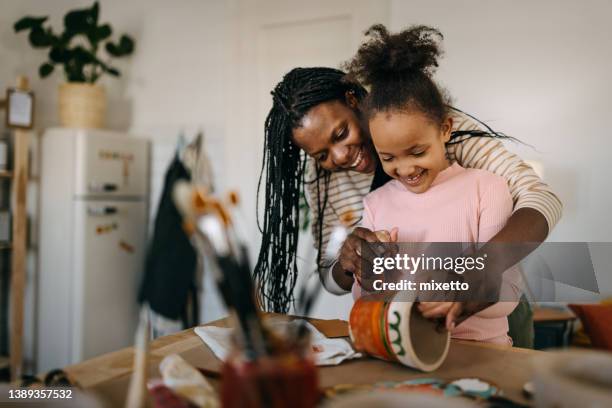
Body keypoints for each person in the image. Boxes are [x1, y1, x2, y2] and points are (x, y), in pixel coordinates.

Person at [254, 31, 562, 340]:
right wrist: (348, 262)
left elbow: (540, 198)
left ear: (352, 100)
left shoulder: (428, 124)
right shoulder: (329, 182)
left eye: (340, 133)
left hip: (488, 310)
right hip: (412, 328)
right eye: (322, 154)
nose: (340, 156)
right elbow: (332, 277)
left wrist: (478, 271)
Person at [346, 24, 521, 344]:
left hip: (480, 354)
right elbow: (365, 300)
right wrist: (372, 275)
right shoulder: (376, 203)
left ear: (445, 129)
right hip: (407, 354)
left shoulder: (487, 189)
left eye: (417, 151)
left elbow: (509, 294)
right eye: (389, 158)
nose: (405, 168)